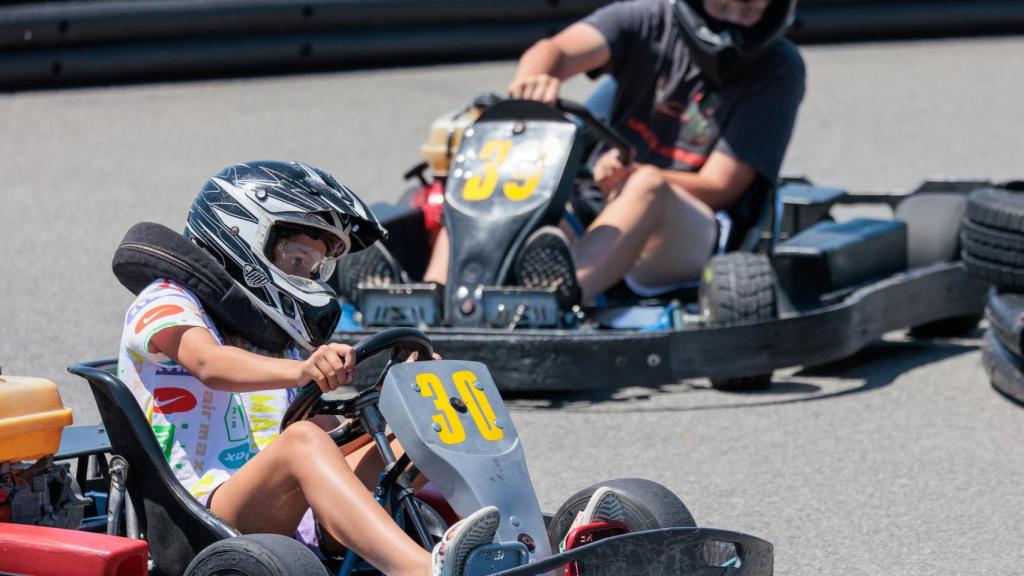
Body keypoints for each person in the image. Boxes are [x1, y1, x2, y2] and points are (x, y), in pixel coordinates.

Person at [118, 161, 507, 576]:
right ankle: (422, 569)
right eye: (297, 260)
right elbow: (209, 364)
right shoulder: (166, 300)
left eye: (316, 268)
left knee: (428, 420)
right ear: (243, 234)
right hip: (200, 514)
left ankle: (520, 542)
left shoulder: (274, 340)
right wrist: (304, 370)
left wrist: (402, 402)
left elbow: (323, 435)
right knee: (302, 441)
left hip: (287, 509)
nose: (307, 277)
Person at [413, 0, 805, 307]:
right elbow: (555, 50)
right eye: (722, 5)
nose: (733, 20)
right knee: (504, 165)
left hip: (693, 230)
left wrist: (630, 175)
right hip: (602, 212)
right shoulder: (648, 20)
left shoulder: (778, 68)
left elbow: (721, 185)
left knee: (646, 184)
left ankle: (557, 301)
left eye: (751, 9)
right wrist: (537, 80)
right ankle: (437, 297)